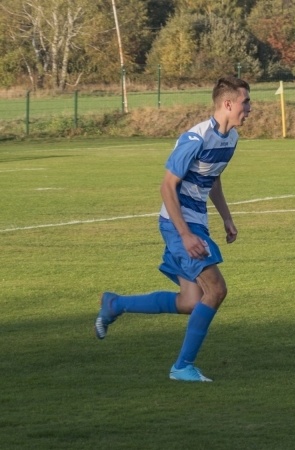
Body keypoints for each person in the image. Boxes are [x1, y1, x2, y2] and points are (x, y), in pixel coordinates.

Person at [94, 76, 252, 382]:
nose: (250, 108)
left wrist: (226, 217)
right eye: (246, 102)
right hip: (178, 223)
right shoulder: (195, 138)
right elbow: (167, 186)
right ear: (228, 104)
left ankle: (114, 304)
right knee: (216, 290)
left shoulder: (230, 139)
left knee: (190, 301)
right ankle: (182, 367)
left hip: (196, 223)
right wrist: (185, 234)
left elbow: (213, 178)